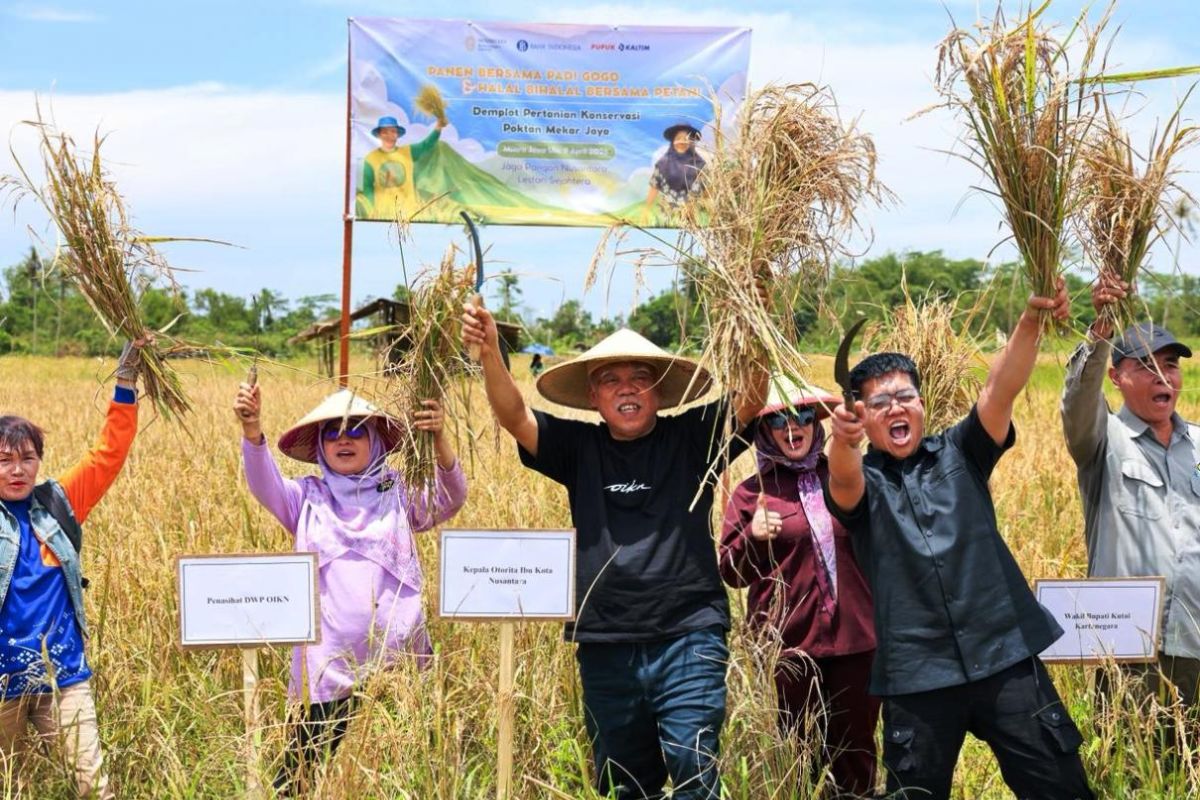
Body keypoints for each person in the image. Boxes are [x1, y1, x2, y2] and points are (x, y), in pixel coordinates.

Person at [462, 306, 768, 800]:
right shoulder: (578, 447)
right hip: (605, 639)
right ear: (593, 396)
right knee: (623, 782)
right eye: (610, 379)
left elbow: (753, 394)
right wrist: (492, 351)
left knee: (694, 765)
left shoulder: (694, 438)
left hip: (689, 635)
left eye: (639, 378)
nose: (626, 388)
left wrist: (755, 308)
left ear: (658, 391)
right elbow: (514, 416)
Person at [825, 279, 1095, 800]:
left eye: (905, 396)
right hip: (916, 675)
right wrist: (841, 439)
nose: (895, 408)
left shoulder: (960, 454)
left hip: (1006, 656)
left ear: (923, 404)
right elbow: (842, 478)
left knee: (1061, 787)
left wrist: (1032, 320)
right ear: (861, 415)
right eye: (878, 403)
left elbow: (1000, 389)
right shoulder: (863, 483)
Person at [233, 383, 465, 796]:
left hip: (399, 670)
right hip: (326, 672)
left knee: (401, 783)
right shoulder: (307, 498)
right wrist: (252, 432)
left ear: (375, 441)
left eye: (356, 429)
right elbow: (264, 485)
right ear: (320, 445)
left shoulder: (398, 491)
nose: (344, 438)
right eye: (332, 432)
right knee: (300, 781)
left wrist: (440, 439)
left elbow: (450, 496)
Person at [0, 340, 147, 799]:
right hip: (3, 682)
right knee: (14, 787)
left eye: (27, 458)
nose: (17, 470)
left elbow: (108, 454)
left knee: (91, 786)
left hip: (63, 677)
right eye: (4, 460)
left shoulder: (59, 503)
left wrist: (125, 383)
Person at [719, 380, 878, 797]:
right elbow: (730, 572)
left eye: (803, 417)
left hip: (855, 642)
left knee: (856, 752)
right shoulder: (751, 493)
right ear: (764, 429)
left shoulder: (846, 476)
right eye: (779, 419)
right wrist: (753, 536)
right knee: (798, 755)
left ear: (817, 423)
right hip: (788, 645)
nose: (793, 428)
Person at [1061, 274, 1199, 708]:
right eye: (1146, 366)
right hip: (1131, 651)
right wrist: (1101, 328)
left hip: (1196, 641)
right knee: (1134, 767)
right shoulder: (1103, 441)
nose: (1163, 376)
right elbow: (1079, 400)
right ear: (1117, 377)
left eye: (1171, 365)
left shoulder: (1198, 444)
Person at [357, 114, 447, 221]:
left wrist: (438, 128)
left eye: (393, 131)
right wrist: (370, 210)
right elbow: (367, 188)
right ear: (379, 134)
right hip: (382, 215)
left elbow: (426, 144)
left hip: (408, 214)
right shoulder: (370, 158)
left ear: (397, 134)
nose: (389, 135)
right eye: (385, 132)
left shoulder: (408, 152)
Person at [644, 123, 707, 215]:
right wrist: (645, 211)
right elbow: (654, 187)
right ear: (673, 142)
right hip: (668, 216)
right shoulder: (662, 165)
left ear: (692, 142)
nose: (681, 142)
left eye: (686, 139)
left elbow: (707, 192)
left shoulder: (700, 165)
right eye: (678, 139)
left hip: (694, 217)